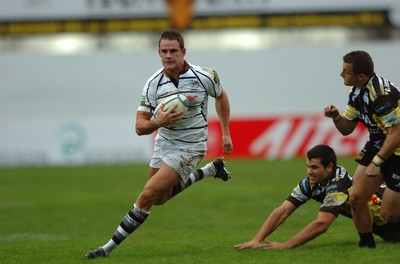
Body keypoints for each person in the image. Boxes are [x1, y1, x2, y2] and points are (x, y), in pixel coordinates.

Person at [86, 28, 233, 259]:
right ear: (158, 53)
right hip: (164, 143)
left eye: (173, 51)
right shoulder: (153, 84)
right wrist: (159, 121)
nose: (168, 55)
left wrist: (225, 133)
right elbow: (139, 127)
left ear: (183, 52)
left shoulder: (203, 76)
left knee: (146, 196)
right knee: (161, 198)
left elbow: (221, 96)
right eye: (164, 51)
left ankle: (107, 248)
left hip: (191, 146)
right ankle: (210, 171)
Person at [234, 144, 400, 250]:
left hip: (393, 214)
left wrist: (287, 245)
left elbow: (322, 223)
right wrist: (257, 239)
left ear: (329, 167)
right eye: (308, 167)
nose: (309, 172)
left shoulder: (338, 184)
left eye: (314, 167)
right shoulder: (310, 184)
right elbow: (283, 211)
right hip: (380, 226)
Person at [324, 50, 400, 248]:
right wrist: (336, 117)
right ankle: (367, 245)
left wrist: (377, 162)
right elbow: (347, 129)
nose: (341, 74)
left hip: (397, 150)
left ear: (361, 76)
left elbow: (397, 134)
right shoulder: (357, 92)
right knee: (356, 198)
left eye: (346, 71)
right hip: (377, 143)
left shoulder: (381, 95)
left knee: (389, 214)